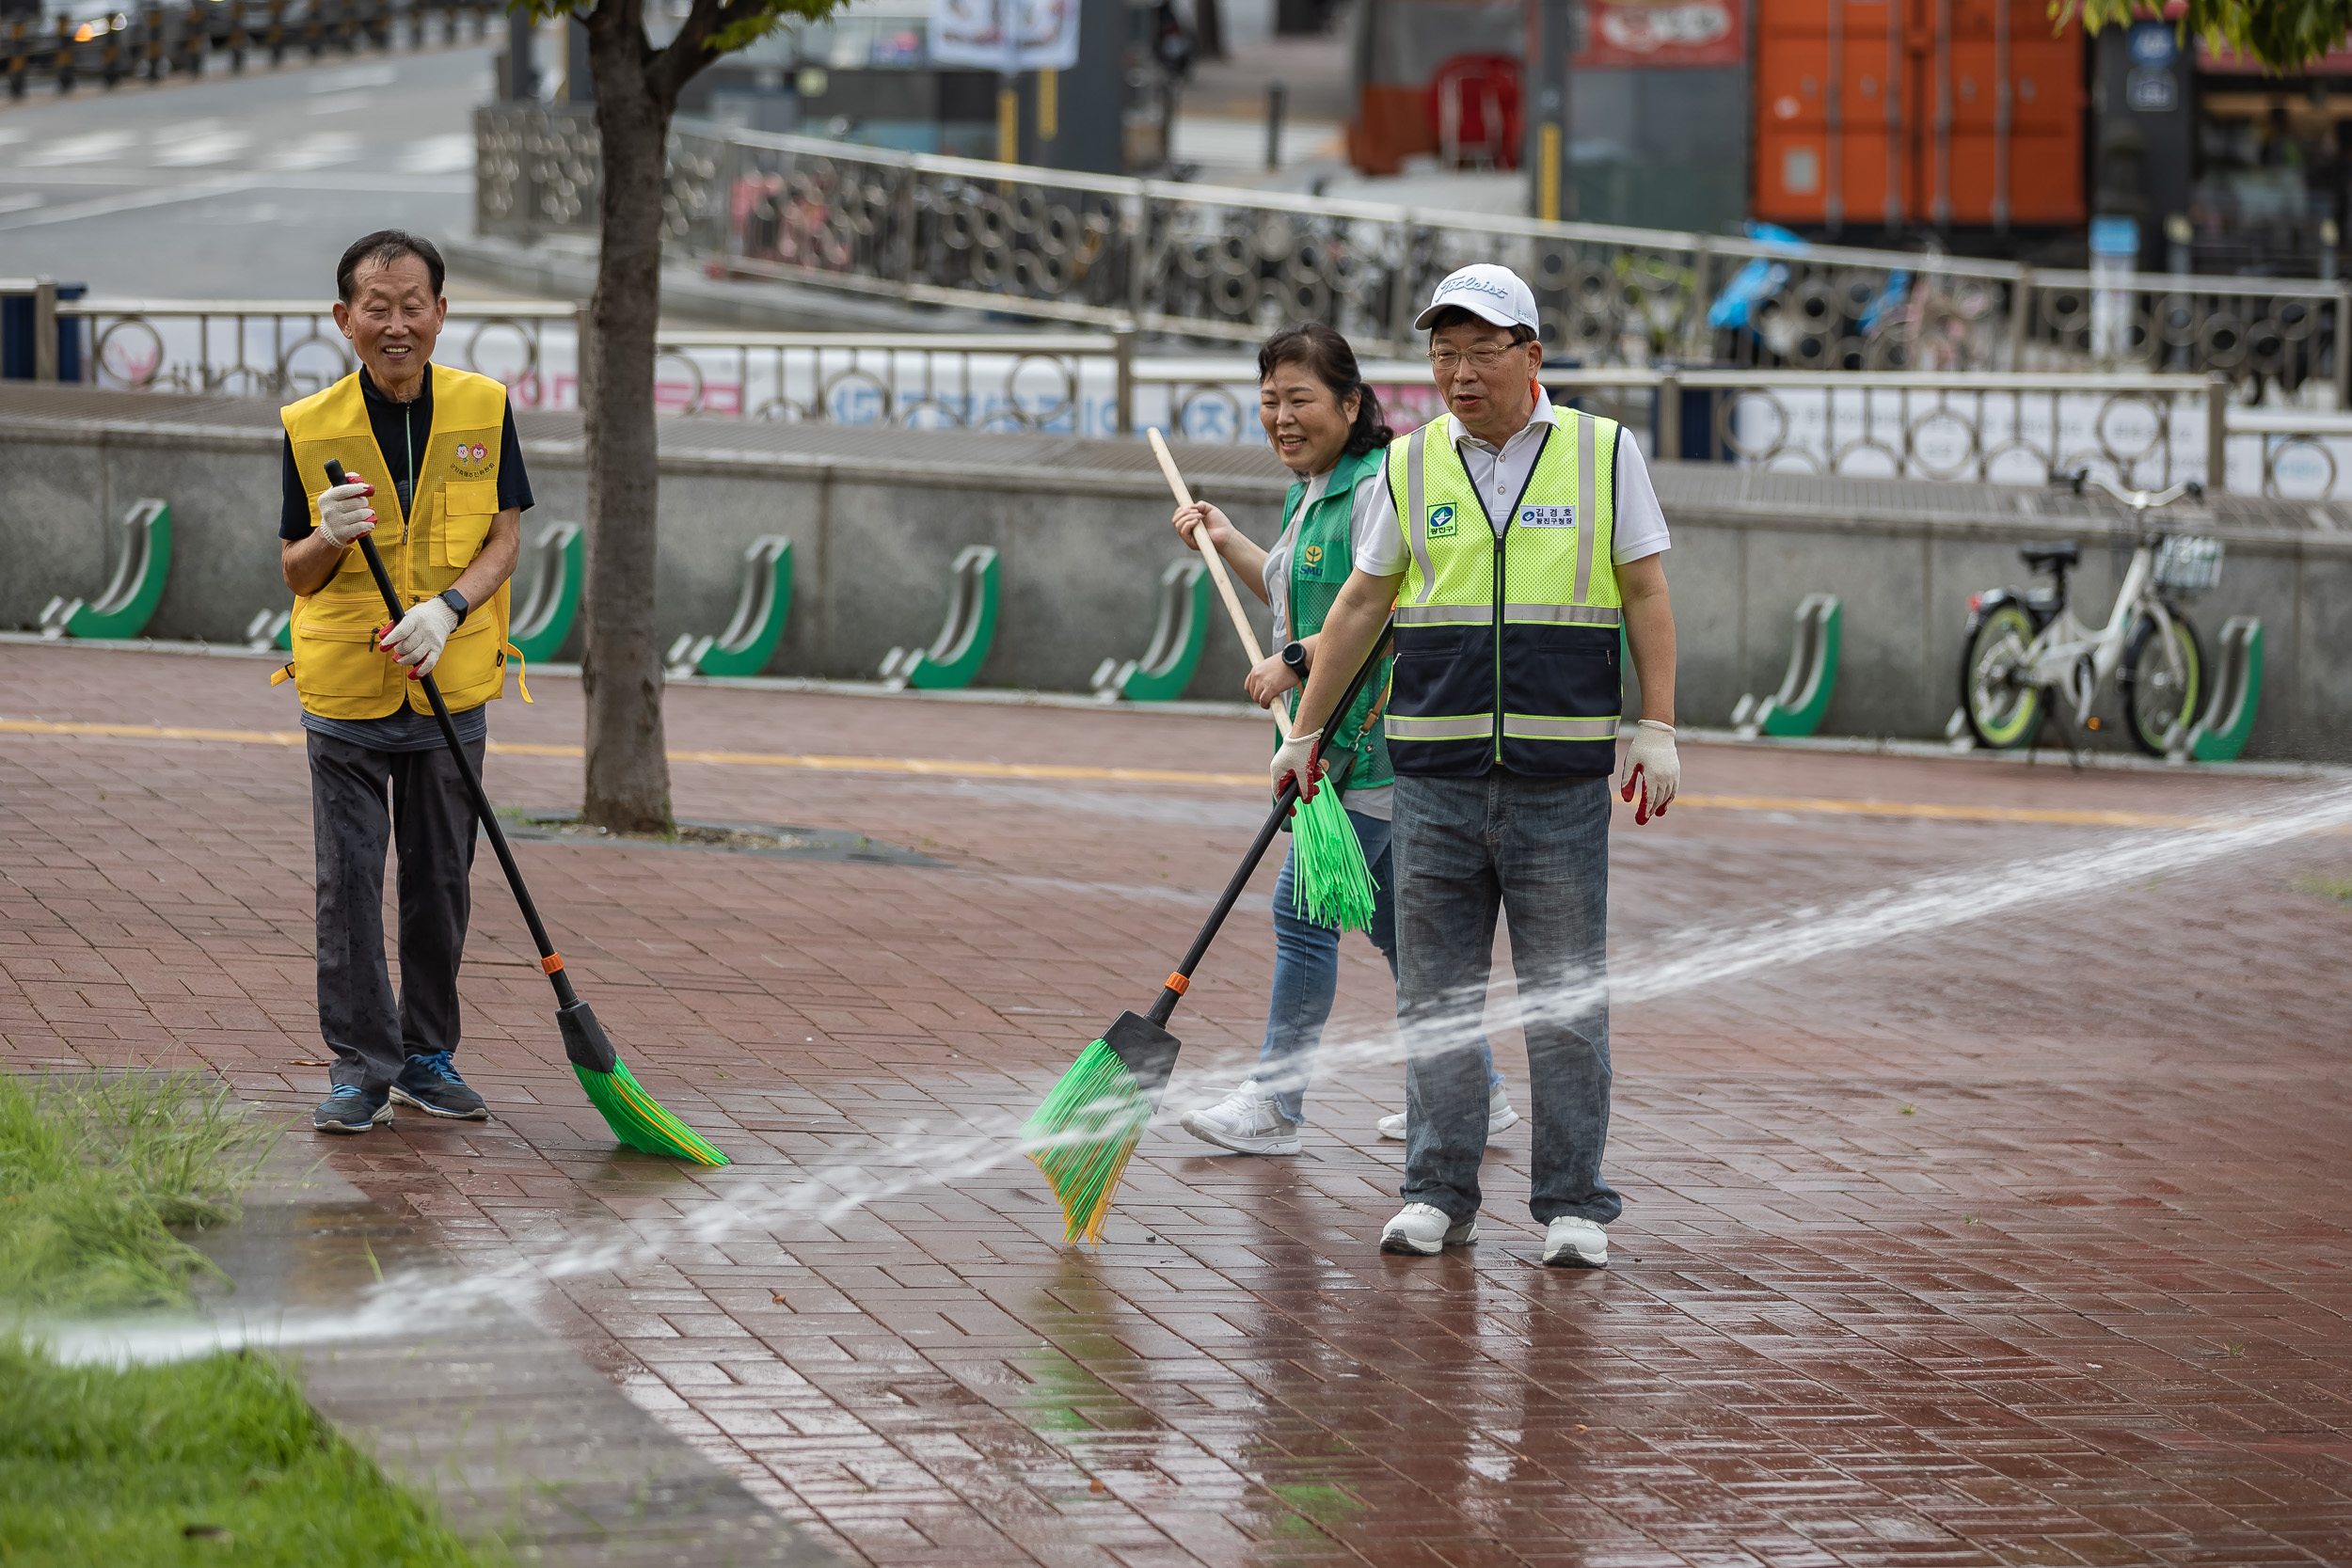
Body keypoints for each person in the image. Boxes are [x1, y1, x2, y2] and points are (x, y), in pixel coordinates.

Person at [1270, 263, 1680, 1267]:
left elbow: (1645, 591)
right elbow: (1361, 605)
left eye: (1479, 351)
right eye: (1441, 352)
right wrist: (1306, 729)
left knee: (1565, 1001)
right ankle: (1436, 1191)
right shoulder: (1408, 466)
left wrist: (1657, 724)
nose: (1458, 373)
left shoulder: (1602, 451)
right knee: (1436, 1000)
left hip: (1560, 778)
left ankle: (1573, 1202)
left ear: (1529, 356)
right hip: (1436, 775)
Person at [1168, 324, 1517, 1155]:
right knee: (1400, 933)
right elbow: (1297, 591)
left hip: (1374, 746)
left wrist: (1295, 662)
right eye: (1269, 403)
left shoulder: (1374, 486)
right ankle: (1481, 1090)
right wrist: (1227, 541)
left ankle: (1276, 1105)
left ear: (1351, 404)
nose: (1282, 419)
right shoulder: (1308, 490)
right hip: (1327, 752)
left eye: (1300, 401)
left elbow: (1387, 612)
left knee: (1302, 912)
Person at [275, 230, 533, 1134]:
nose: (395, 323)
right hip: (346, 692)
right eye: (374, 308)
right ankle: (360, 1067)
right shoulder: (311, 428)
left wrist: (452, 607)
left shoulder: (483, 407)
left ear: (440, 312)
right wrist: (328, 533)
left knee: (440, 885)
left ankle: (426, 1054)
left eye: (411, 304)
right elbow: (295, 571)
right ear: (344, 320)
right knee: (347, 886)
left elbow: (504, 536)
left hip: (448, 685)